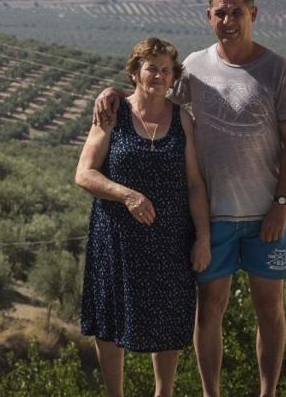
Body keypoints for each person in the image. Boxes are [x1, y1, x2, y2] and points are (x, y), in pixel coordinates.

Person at [94, 0, 286, 397]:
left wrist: (281, 205)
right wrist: (113, 92)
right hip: (213, 215)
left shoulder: (277, 69)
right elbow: (152, 92)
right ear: (208, 16)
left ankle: (268, 393)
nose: (228, 20)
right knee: (209, 311)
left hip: (268, 211)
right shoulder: (194, 65)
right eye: (220, 12)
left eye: (236, 11)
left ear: (253, 14)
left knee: (270, 309)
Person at [75, 37, 211, 397]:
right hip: (116, 238)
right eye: (152, 67)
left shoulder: (183, 119)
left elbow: (196, 184)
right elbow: (84, 174)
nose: (160, 76)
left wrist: (203, 237)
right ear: (135, 72)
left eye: (167, 70)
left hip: (170, 239)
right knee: (110, 319)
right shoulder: (112, 113)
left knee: (168, 319)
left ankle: (163, 394)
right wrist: (127, 195)